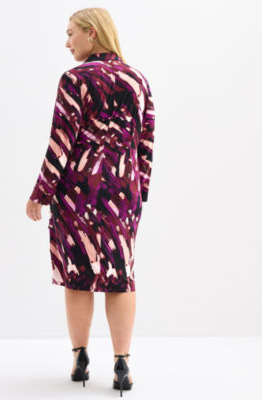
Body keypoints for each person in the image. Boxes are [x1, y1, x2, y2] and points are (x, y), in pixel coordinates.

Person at [25, 7, 155, 396]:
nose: (67, 42)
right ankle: (122, 364)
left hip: (77, 194)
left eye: (71, 33)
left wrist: (40, 193)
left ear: (91, 33)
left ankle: (80, 359)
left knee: (77, 276)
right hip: (122, 195)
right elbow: (146, 145)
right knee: (121, 276)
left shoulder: (74, 80)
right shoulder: (137, 80)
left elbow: (60, 142)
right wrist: (139, 194)